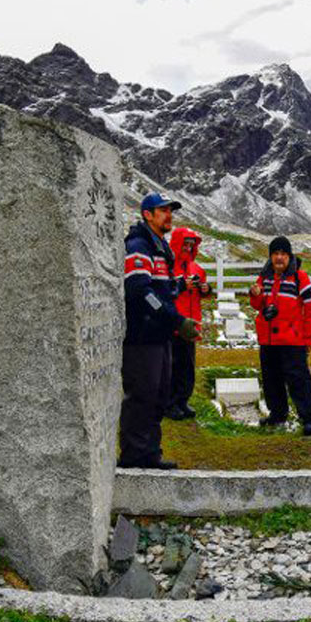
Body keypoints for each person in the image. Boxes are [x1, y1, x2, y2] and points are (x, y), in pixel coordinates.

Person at [120, 192, 199, 469]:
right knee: (142, 395)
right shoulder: (139, 245)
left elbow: (162, 288)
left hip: (160, 336)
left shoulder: (159, 247)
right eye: (162, 210)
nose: (169, 215)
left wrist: (179, 286)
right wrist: (176, 321)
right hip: (142, 337)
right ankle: (132, 455)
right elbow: (140, 291)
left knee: (159, 396)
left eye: (170, 210)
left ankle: (150, 453)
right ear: (147, 215)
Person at [249, 236, 311, 436]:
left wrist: (309, 339)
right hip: (268, 339)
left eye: (283, 254)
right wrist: (255, 295)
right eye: (275, 254)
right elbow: (258, 305)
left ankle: (309, 418)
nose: (279, 258)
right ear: (270, 256)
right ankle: (278, 414)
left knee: (299, 379)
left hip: (292, 340)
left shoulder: (300, 277)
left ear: (289, 256)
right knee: (271, 379)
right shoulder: (264, 277)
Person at [164, 226, 211, 421]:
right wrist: (182, 285)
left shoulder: (197, 268)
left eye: (192, 245)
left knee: (188, 367)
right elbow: (163, 291)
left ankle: (183, 400)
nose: (188, 248)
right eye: (185, 244)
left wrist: (206, 289)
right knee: (173, 366)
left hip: (191, 326)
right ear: (177, 244)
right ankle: (170, 404)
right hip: (175, 325)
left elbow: (203, 293)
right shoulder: (168, 267)